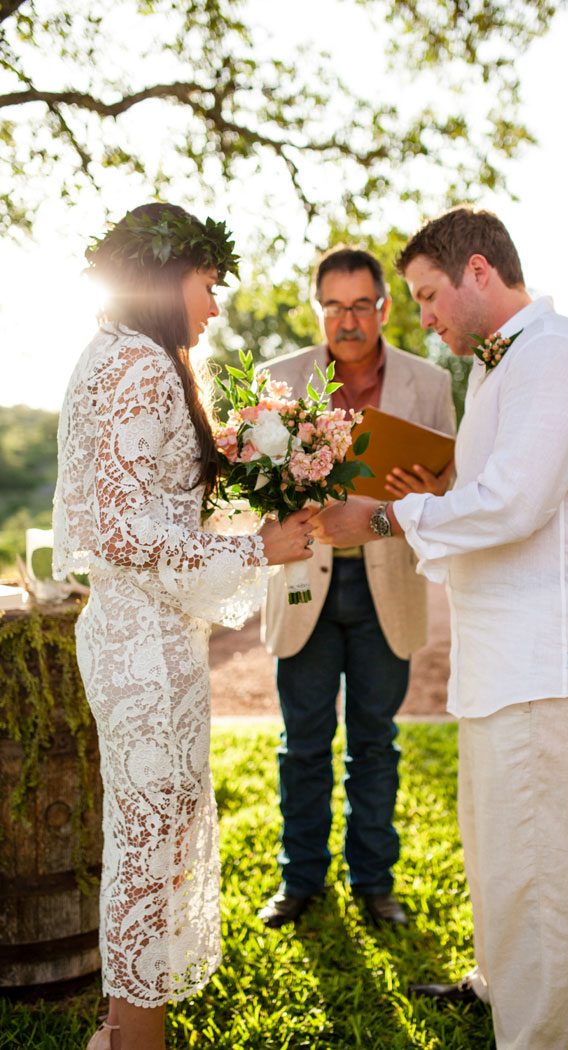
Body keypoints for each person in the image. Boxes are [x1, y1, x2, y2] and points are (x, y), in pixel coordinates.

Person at [310, 208, 568, 1050]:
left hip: (544, 659)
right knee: (496, 849)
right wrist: (427, 492)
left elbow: (516, 505)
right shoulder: (496, 371)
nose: (423, 319)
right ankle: (495, 985)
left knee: (539, 873)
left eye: (425, 297)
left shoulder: (559, 354)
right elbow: (477, 505)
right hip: (500, 659)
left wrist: (382, 518)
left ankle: (535, 1039)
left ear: (478, 272)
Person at [52, 203, 314, 1050]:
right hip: (144, 644)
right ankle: (135, 1041)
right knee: (152, 845)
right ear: (170, 277)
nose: (212, 306)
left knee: (144, 837)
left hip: (132, 634)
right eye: (208, 285)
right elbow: (128, 532)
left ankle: (120, 1030)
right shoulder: (144, 367)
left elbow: (143, 505)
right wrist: (259, 549)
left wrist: (247, 462)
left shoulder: (114, 356)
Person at [257, 246, 456, 929]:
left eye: (360, 306)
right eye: (334, 307)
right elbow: (248, 491)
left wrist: (432, 491)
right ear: (319, 309)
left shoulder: (429, 383)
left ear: (384, 308)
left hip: (387, 590)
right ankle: (299, 882)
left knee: (376, 743)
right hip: (302, 587)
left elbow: (450, 486)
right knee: (303, 744)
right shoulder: (276, 381)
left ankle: (375, 884)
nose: (347, 321)